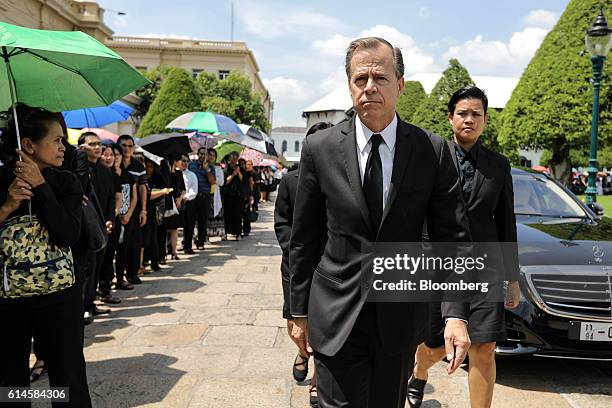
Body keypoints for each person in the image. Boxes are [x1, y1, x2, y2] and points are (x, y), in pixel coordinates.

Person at [288, 37, 472, 408]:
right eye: (360, 79)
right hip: (336, 312)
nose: (369, 86)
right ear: (349, 85)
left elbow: (452, 237)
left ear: (400, 85)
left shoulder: (430, 150)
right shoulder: (319, 149)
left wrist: (455, 315)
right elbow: (303, 239)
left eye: (380, 77)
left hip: (399, 316)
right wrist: (297, 310)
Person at [407, 86, 521, 408]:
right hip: (437, 266)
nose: (469, 120)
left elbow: (506, 223)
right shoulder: (430, 158)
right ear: (450, 117)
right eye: (462, 113)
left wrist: (512, 279)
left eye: (476, 114)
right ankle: (420, 368)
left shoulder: (498, 166)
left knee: (483, 349)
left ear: (485, 120)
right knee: (435, 345)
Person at [0, 104, 92, 407]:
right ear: (28, 144)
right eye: (56, 140)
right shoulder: (2, 183)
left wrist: (40, 186)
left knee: (68, 381)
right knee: (11, 385)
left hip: (60, 296)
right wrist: (7, 206)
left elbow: (67, 234)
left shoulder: (66, 181)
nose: (63, 147)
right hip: (9, 300)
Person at [275, 121, 333, 408]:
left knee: (327, 326)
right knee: (295, 324)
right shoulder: (290, 181)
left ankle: (317, 381)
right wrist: (296, 250)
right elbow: (281, 222)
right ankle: (302, 352)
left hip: (331, 266)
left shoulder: (341, 179)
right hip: (297, 265)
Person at [77, 132, 118, 323]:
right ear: (82, 147)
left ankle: (91, 303)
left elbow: (110, 197)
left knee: (97, 265)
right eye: (92, 144)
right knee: (87, 266)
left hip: (103, 224)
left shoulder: (104, 170)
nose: (97, 147)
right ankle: (83, 306)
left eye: (98, 144)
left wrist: (110, 218)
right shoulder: (79, 170)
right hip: (86, 225)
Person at [100, 144, 137, 292]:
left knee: (120, 251)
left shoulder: (125, 175)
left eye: (115, 154)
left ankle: (117, 280)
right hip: (106, 220)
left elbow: (128, 197)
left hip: (121, 218)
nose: (112, 157)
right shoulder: (102, 173)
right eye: (108, 154)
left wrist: (126, 214)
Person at [116, 135, 147, 285]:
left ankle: (132, 273)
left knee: (134, 242)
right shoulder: (115, 163)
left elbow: (142, 188)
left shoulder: (138, 166)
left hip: (134, 210)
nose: (127, 149)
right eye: (124, 145)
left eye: (130, 146)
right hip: (116, 209)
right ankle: (119, 276)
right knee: (121, 245)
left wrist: (144, 210)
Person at [189, 147, 216, 250]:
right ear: (197, 154)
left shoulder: (211, 167)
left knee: (203, 221)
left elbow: (213, 181)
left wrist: (207, 169)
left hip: (204, 196)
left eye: (205, 154)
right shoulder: (191, 165)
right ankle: (187, 243)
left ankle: (200, 242)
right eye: (201, 154)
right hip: (192, 196)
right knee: (190, 221)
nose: (202, 156)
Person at [165, 153, 186, 260]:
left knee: (174, 229)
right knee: (164, 228)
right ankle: (164, 251)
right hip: (166, 201)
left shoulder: (179, 173)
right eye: (179, 160)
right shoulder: (165, 172)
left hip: (176, 203)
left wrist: (180, 198)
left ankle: (174, 251)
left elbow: (183, 188)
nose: (181, 162)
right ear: (174, 161)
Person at [222, 151, 245, 240]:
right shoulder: (226, 169)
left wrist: (238, 172)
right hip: (228, 194)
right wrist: (233, 174)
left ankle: (238, 233)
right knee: (228, 214)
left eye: (236, 157)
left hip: (238, 195)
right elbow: (226, 181)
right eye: (233, 157)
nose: (234, 159)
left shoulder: (240, 168)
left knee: (238, 215)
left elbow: (243, 179)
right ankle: (226, 233)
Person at [180, 153, 199, 254]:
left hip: (188, 202)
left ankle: (188, 246)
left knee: (189, 225)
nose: (185, 163)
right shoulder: (174, 173)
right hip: (176, 202)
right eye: (183, 161)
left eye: (187, 161)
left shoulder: (191, 175)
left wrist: (185, 197)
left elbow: (193, 190)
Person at [206, 148, 225, 240]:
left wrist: (213, 179)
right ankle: (205, 235)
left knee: (216, 214)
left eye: (213, 155)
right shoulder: (203, 166)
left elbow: (221, 182)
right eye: (210, 154)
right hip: (205, 193)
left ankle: (218, 233)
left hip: (215, 194)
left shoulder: (218, 168)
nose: (211, 157)